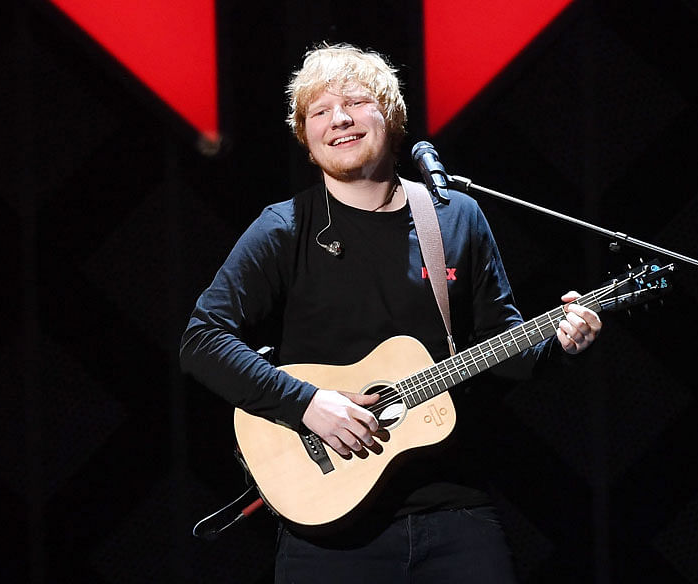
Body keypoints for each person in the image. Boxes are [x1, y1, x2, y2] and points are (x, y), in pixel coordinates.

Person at [180, 42, 602, 583]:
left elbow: (504, 348)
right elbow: (202, 338)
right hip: (328, 534)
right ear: (305, 137)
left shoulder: (455, 218)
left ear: (391, 115)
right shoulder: (284, 228)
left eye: (354, 102)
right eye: (319, 112)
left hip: (454, 512)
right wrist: (307, 405)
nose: (339, 120)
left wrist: (558, 344)